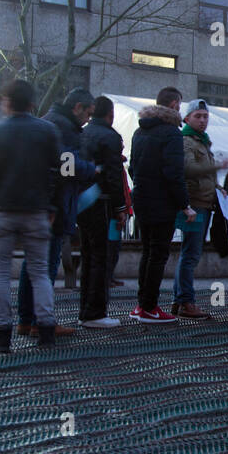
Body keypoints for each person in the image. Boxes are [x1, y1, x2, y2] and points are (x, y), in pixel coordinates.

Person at [0, 80, 62, 352]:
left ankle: (2, 336)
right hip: (36, 211)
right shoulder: (47, 131)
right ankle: (46, 330)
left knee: (0, 273)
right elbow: (59, 173)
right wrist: (53, 207)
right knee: (39, 272)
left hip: (0, 211)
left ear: (7, 102)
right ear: (32, 103)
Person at [17, 87, 95, 338]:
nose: (88, 120)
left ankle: (27, 320)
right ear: (77, 107)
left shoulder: (48, 122)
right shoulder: (62, 127)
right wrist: (93, 169)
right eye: (88, 113)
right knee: (46, 266)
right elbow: (65, 165)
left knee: (32, 265)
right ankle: (42, 321)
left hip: (37, 204)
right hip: (54, 206)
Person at [129, 88, 189, 323]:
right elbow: (174, 173)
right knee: (158, 254)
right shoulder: (172, 133)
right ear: (174, 104)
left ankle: (142, 304)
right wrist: (184, 204)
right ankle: (150, 307)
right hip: (162, 202)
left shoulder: (139, 131)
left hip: (142, 199)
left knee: (148, 252)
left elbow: (133, 167)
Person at [174, 98, 228, 319]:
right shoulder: (187, 141)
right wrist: (217, 166)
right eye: (198, 116)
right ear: (187, 118)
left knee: (191, 254)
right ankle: (185, 301)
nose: (203, 120)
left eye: (205, 116)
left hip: (203, 202)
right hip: (195, 204)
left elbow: (204, 173)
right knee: (190, 254)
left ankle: (182, 300)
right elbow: (189, 168)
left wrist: (218, 186)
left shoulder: (202, 141)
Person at [78, 95, 124, 328]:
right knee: (102, 256)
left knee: (88, 255)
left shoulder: (82, 133)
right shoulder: (111, 137)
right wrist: (120, 207)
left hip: (83, 201)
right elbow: (114, 177)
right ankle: (96, 312)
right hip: (103, 201)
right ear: (110, 114)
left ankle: (86, 308)